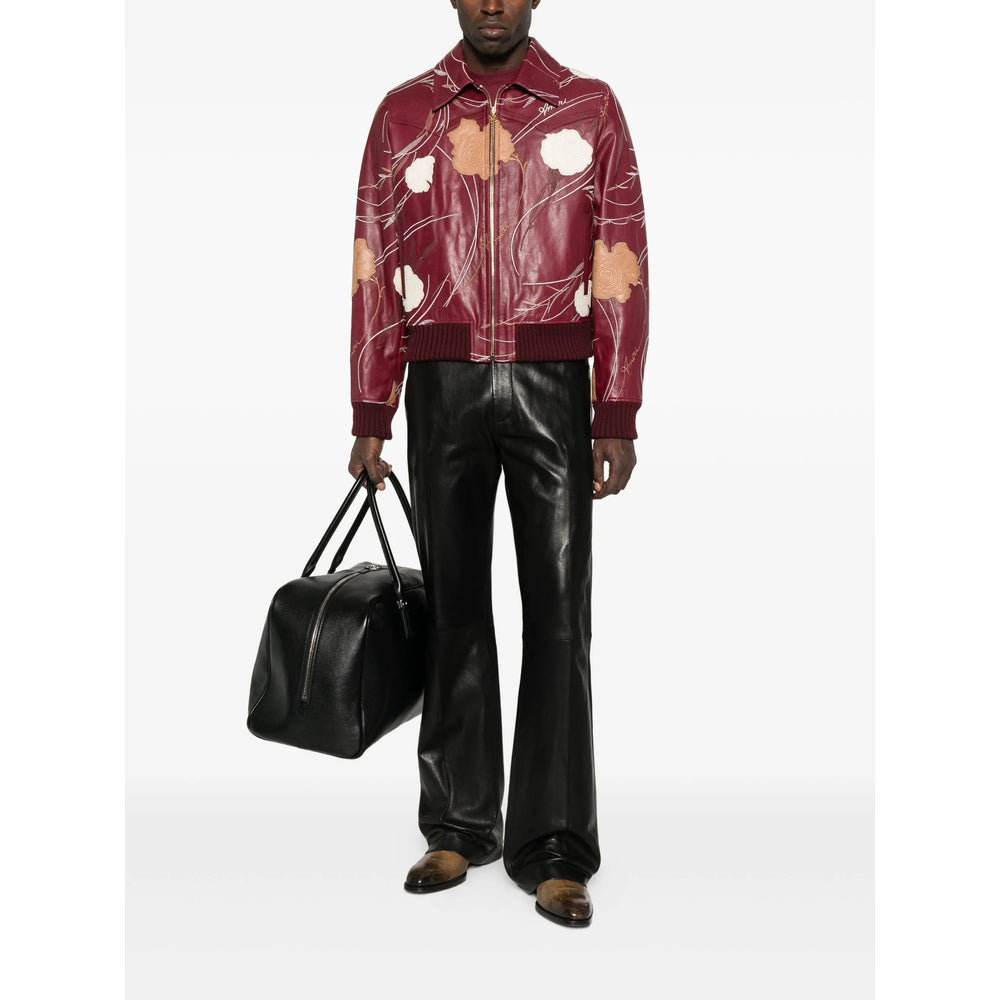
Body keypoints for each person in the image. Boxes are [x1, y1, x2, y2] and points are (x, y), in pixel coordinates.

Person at [346, 0, 648, 928]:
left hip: (554, 385)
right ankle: (458, 823)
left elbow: (621, 254)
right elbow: (373, 258)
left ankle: (554, 845)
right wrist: (372, 408)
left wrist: (615, 407)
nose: (491, 3)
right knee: (454, 610)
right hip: (441, 386)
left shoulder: (589, 108)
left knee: (560, 616)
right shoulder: (404, 113)